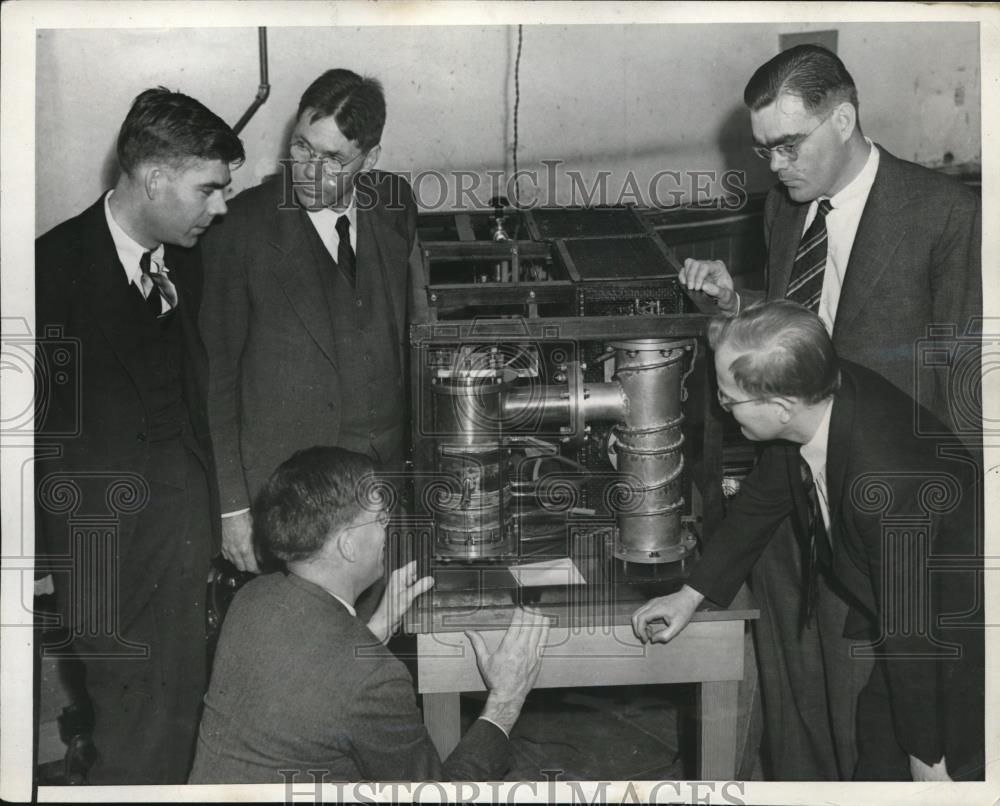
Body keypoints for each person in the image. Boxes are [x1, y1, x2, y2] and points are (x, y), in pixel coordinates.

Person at [677, 45, 982, 779]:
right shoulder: (786, 214)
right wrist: (738, 305)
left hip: (886, 511)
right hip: (787, 485)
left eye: (790, 144)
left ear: (843, 119)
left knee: (876, 715)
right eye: (763, 149)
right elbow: (801, 337)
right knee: (796, 705)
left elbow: (971, 387)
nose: (775, 166)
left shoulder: (945, 214)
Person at [632, 301, 983, 782]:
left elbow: (914, 637)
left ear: (779, 407)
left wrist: (928, 760)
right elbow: (762, 500)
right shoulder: (814, 397)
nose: (720, 406)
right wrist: (690, 595)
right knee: (876, 760)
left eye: (728, 399)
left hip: (961, 649)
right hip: (913, 633)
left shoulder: (887, 486)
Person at [34, 87, 244, 783]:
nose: (220, 207)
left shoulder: (182, 258)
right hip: (105, 559)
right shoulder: (46, 271)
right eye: (208, 189)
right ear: (154, 179)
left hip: (184, 544)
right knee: (130, 729)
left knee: (182, 718)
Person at [188, 446, 550, 783]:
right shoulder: (375, 680)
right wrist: (505, 702)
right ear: (347, 545)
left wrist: (371, 632)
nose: (387, 528)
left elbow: (309, 686)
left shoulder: (253, 599)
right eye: (380, 518)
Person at [199, 68, 418, 576]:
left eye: (332, 159)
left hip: (385, 488)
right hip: (290, 498)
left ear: (371, 159)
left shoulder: (396, 204)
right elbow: (216, 381)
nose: (309, 171)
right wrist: (233, 509)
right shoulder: (239, 231)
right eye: (301, 148)